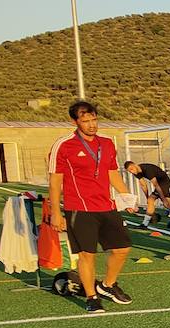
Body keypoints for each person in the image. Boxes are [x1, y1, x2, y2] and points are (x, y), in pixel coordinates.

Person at [46, 101, 135, 313]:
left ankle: (107, 285)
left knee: (122, 249)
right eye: (86, 121)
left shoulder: (107, 143)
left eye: (94, 119)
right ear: (75, 122)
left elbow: (112, 173)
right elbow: (55, 182)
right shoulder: (63, 145)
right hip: (79, 208)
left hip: (106, 206)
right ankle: (92, 297)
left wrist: (126, 197)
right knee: (87, 255)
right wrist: (56, 212)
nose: (92, 125)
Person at [123, 160, 170, 227]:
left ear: (135, 165)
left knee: (165, 203)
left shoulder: (147, 170)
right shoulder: (136, 172)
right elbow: (143, 185)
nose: (132, 172)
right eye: (130, 171)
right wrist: (147, 197)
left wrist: (163, 199)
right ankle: (145, 224)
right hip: (160, 184)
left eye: (132, 169)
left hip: (164, 182)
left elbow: (156, 185)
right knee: (152, 201)